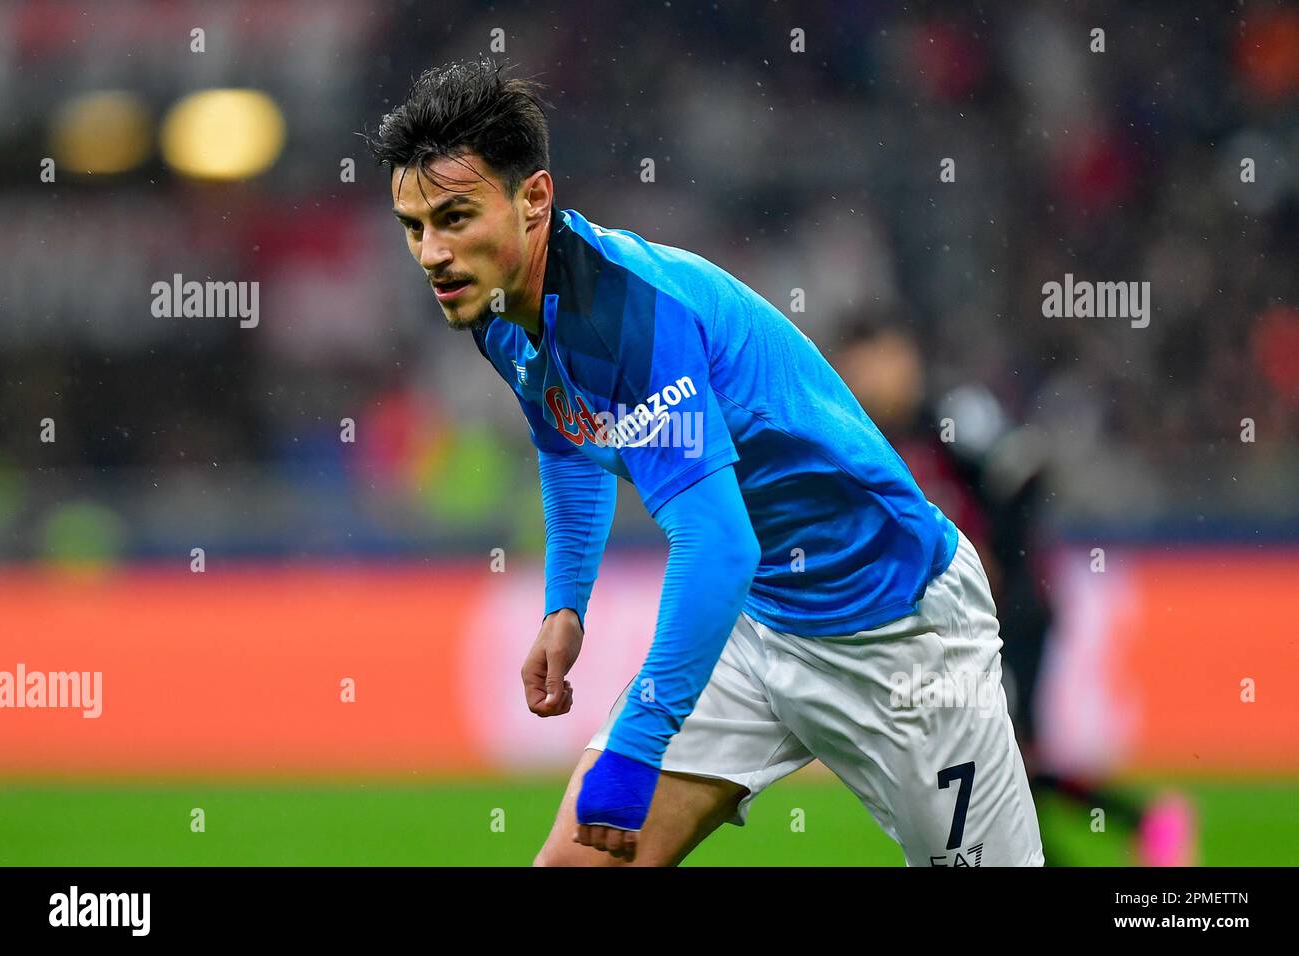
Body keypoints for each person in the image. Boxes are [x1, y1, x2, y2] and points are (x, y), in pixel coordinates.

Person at [367, 58, 1043, 866]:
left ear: (535, 198)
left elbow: (719, 545)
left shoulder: (630, 318)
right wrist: (565, 603)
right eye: (415, 227)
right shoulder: (497, 308)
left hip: (895, 626)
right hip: (758, 626)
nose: (433, 254)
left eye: (454, 216)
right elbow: (567, 443)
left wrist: (640, 743)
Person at [834, 317, 1197, 867]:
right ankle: (1141, 823)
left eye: (876, 361)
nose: (867, 378)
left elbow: (1026, 475)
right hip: (953, 620)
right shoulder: (864, 437)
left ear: (904, 356)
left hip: (1017, 608)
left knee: (1002, 758)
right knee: (997, 761)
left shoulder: (951, 415)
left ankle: (1140, 823)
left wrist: (998, 558)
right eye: (856, 366)